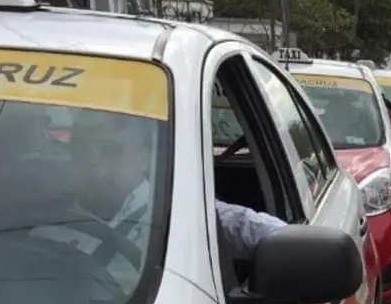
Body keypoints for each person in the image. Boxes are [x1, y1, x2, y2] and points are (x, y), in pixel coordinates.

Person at [71, 110, 287, 260]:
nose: (93, 162)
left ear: (143, 158)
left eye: (111, 151)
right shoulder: (45, 212)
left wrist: (298, 258)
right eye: (81, 150)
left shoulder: (176, 211)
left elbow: (244, 225)